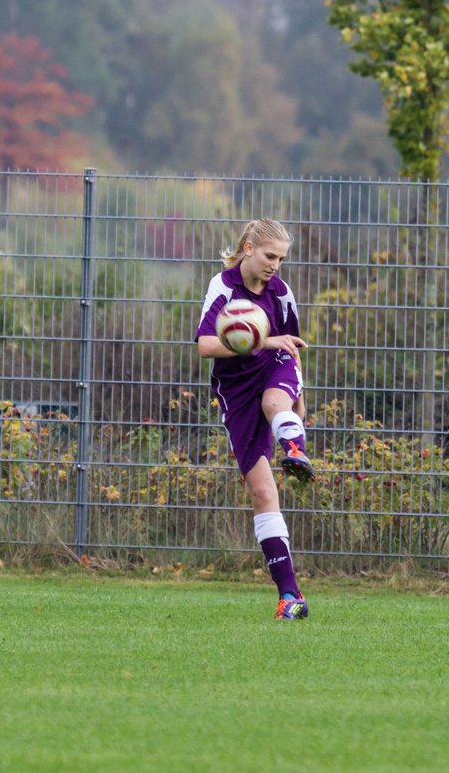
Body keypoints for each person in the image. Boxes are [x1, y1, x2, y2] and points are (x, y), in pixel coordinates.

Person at [195, 218, 314, 620]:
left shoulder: (281, 293)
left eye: (281, 258)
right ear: (248, 247)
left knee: (274, 404)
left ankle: (295, 449)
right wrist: (258, 339)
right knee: (262, 494)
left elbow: (292, 347)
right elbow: (206, 345)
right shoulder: (224, 287)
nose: (275, 265)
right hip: (236, 392)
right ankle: (290, 597)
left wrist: (300, 404)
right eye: (269, 255)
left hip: (275, 370)